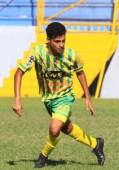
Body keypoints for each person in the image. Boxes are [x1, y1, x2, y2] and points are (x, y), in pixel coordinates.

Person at [12, 22, 105, 168]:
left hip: (65, 97)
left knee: (54, 128)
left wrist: (88, 97)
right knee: (66, 128)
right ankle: (96, 143)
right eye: (57, 41)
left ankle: (43, 156)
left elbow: (80, 73)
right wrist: (17, 99)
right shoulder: (37, 53)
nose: (61, 45)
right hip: (48, 99)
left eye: (63, 41)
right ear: (48, 41)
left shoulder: (72, 54)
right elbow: (19, 73)